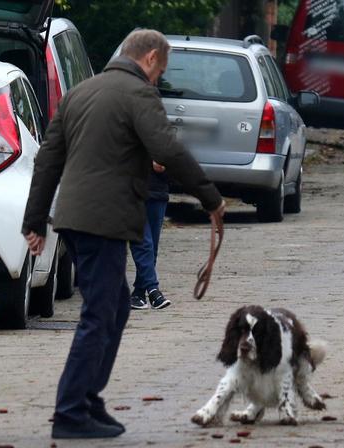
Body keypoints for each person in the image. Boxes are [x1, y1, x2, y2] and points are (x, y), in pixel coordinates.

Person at [22, 29, 225, 440]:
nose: (157, 80)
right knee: (99, 315)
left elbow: (48, 159)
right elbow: (167, 150)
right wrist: (211, 199)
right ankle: (70, 410)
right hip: (105, 221)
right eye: (160, 71)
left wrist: (35, 220)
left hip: (75, 220)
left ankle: (88, 400)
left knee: (115, 307)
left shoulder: (80, 92)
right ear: (150, 58)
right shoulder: (138, 94)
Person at [130, 163, 171, 310]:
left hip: (158, 191)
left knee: (151, 246)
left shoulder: (165, 139)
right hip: (132, 192)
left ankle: (139, 293)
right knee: (143, 242)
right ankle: (153, 291)